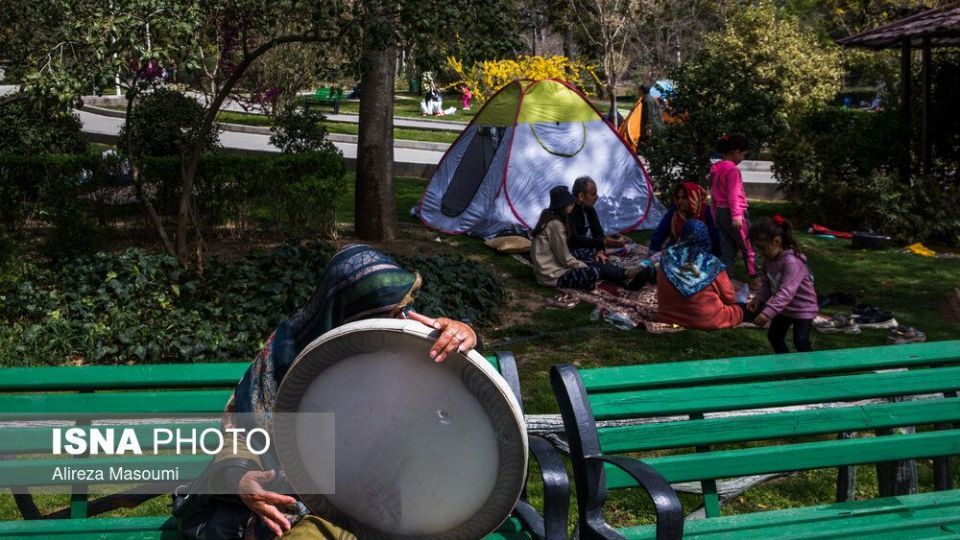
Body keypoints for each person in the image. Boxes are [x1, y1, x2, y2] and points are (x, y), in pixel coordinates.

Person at [206, 244, 478, 539]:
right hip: (293, 507)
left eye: (405, 309)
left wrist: (465, 336)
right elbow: (240, 429)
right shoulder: (285, 353)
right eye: (393, 312)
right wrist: (240, 477)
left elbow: (464, 394)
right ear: (352, 314)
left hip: (377, 506)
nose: (404, 320)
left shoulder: (404, 347)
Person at [531, 185, 640, 290]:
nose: (573, 204)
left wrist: (599, 250)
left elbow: (598, 234)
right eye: (569, 203)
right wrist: (584, 266)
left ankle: (623, 275)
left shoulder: (586, 211)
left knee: (593, 256)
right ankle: (623, 277)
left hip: (560, 263)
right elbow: (565, 257)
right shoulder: (556, 224)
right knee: (595, 271)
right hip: (552, 274)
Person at [747, 215, 819, 354]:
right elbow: (767, 284)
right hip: (784, 308)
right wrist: (758, 298)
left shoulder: (792, 262)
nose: (760, 253)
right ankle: (786, 363)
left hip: (803, 309)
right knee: (774, 336)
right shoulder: (768, 261)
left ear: (777, 241)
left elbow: (787, 292)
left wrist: (767, 313)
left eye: (762, 248)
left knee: (801, 341)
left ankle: (810, 366)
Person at [655, 219, 744, 330]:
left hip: (668, 317)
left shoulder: (667, 258)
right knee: (739, 309)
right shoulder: (712, 264)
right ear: (705, 238)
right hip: (705, 320)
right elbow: (729, 298)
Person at [710, 133, 759, 288]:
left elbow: (713, 193)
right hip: (734, 214)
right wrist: (737, 216)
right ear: (736, 151)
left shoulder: (716, 168)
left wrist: (714, 213)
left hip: (721, 213)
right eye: (743, 155)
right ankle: (755, 278)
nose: (743, 159)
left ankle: (726, 280)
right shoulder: (732, 170)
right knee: (748, 246)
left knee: (727, 248)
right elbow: (733, 194)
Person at [649, 181, 721, 256]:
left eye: (683, 198)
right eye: (679, 197)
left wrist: (716, 256)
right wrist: (653, 250)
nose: (679, 201)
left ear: (694, 198)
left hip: (701, 253)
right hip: (677, 249)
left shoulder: (706, 211)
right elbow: (661, 230)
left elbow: (715, 236)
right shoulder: (676, 211)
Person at [568, 176, 627, 263]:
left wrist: (600, 251)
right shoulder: (570, 211)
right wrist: (602, 242)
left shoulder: (590, 209)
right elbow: (574, 240)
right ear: (581, 196)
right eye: (593, 194)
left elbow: (598, 234)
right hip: (575, 251)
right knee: (605, 265)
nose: (597, 197)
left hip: (591, 246)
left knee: (626, 244)